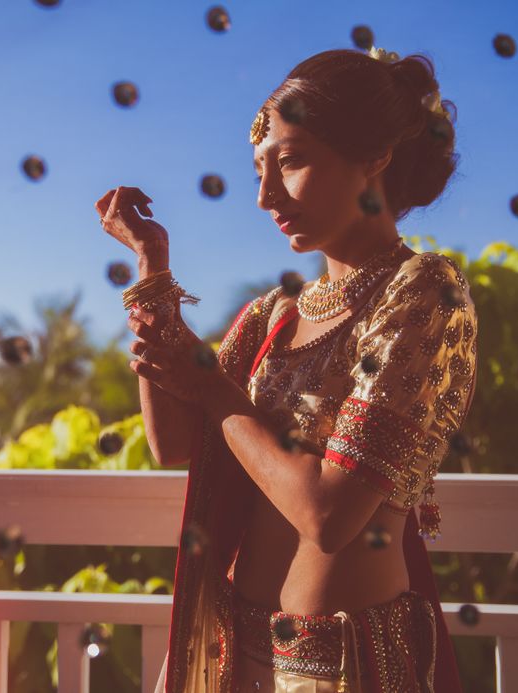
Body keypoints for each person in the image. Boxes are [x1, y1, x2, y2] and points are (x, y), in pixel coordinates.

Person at [97, 45, 475, 693]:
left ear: (373, 156)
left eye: (292, 161)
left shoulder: (422, 293)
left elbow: (328, 516)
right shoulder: (274, 315)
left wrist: (213, 389)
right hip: (235, 651)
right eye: (258, 171)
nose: (266, 194)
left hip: (344, 668)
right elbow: (177, 444)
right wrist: (153, 270)